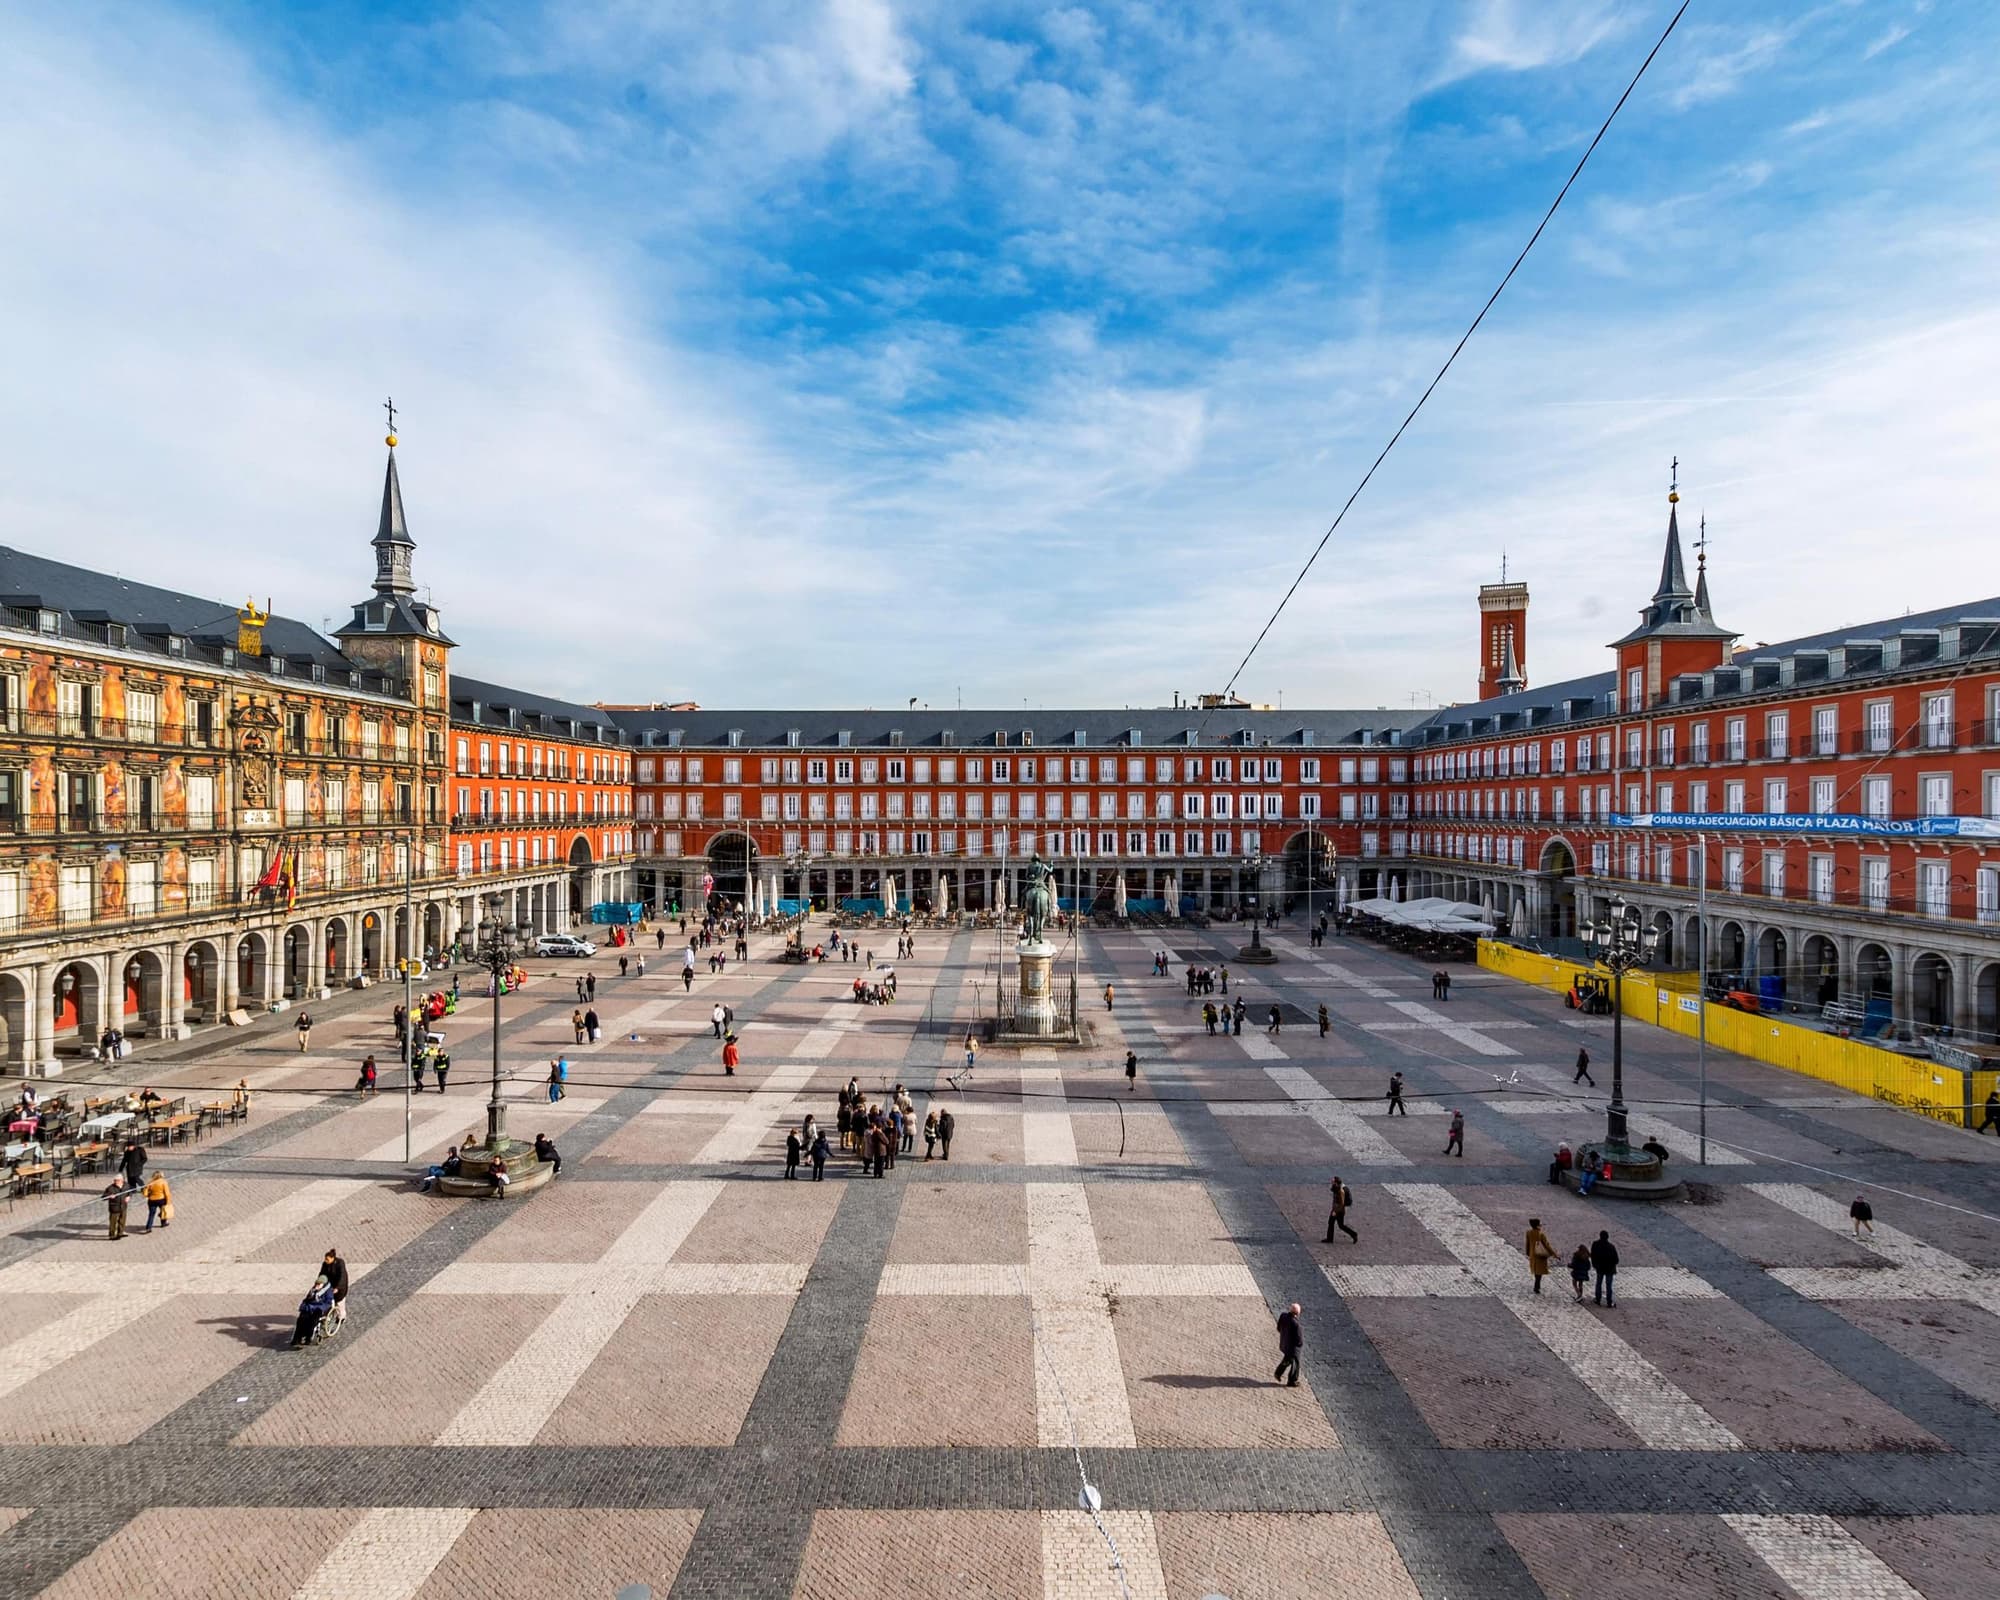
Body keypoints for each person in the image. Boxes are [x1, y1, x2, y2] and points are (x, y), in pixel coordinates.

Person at [1273, 1302, 1303, 1387]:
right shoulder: (1296, 1325)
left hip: (1284, 1344)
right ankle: (1292, 1380)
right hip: (1293, 1348)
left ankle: (1278, 1373)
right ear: (1298, 1313)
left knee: (1287, 1359)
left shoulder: (1283, 1316)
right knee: (1295, 1363)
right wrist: (1299, 1345)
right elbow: (1299, 1340)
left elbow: (1279, 1328)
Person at [1524, 1218, 1555, 1294]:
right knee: (1539, 1272)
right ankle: (1537, 1286)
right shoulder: (1541, 1234)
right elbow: (1547, 1245)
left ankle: (1537, 1286)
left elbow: (1527, 1244)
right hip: (1540, 1255)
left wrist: (1528, 1252)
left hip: (1533, 1254)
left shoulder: (1528, 1232)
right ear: (1537, 1225)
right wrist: (1554, 1254)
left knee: (1536, 1270)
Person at [1590, 1229, 1619, 1306]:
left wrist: (1595, 1265)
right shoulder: (1611, 1247)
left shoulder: (1595, 1244)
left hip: (1600, 1268)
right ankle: (1609, 1301)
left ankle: (1598, 1299)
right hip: (1610, 1269)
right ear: (1607, 1237)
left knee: (1598, 1283)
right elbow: (1616, 1260)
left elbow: (1593, 1255)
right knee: (1609, 1285)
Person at [1324, 1175, 1356, 1243]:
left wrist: (1335, 1211)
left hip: (1339, 1210)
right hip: (1336, 1209)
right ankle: (1330, 1238)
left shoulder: (1341, 1191)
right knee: (1334, 1223)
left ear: (1336, 1183)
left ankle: (1353, 1234)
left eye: (1333, 1181)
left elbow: (1341, 1203)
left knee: (1339, 1225)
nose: (1331, 1182)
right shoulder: (1336, 1188)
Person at [102, 1175, 133, 1240]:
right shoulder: (110, 1188)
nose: (116, 1182)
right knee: (113, 1222)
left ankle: (120, 1233)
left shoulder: (126, 1185)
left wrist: (129, 1197)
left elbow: (130, 1192)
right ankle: (112, 1235)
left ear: (122, 1180)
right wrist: (109, 1196)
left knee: (122, 1221)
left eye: (118, 1180)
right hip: (114, 1208)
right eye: (115, 1180)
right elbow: (103, 1197)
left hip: (123, 1207)